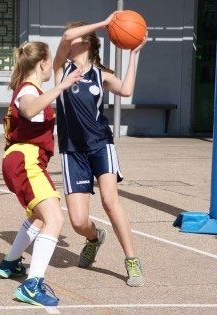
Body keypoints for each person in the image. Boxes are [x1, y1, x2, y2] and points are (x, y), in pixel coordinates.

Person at [53, 14, 147, 286]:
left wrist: (134, 55)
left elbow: (127, 90)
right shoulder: (62, 69)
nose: (69, 38)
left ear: (88, 43)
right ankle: (94, 238)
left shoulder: (100, 74)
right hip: (72, 151)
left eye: (77, 36)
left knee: (109, 200)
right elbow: (66, 37)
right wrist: (106, 23)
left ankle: (131, 260)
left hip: (100, 145)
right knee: (78, 221)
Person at [0, 41, 82, 306]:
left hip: (22, 159)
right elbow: (30, 108)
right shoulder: (27, 90)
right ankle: (32, 286)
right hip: (26, 159)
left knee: (38, 217)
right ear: (43, 63)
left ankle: (9, 263)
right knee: (55, 218)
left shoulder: (30, 88)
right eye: (50, 61)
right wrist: (62, 86)